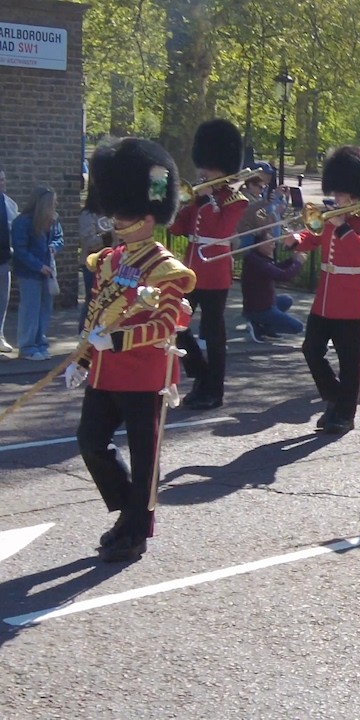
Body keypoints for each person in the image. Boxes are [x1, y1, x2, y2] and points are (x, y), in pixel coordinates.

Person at [71, 137, 196, 562]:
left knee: (145, 458)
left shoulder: (166, 269)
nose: (117, 221)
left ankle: (136, 531)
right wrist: (82, 357)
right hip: (105, 371)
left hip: (145, 374)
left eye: (124, 215)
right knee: (91, 442)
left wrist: (116, 340)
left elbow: (165, 324)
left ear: (148, 217)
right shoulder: (109, 260)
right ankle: (132, 512)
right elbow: (95, 313)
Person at [293, 146, 360, 434]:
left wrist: (343, 227)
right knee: (311, 349)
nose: (337, 198)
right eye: (337, 193)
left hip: (352, 299)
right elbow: (315, 236)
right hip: (325, 298)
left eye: (343, 194)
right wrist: (297, 240)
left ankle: (345, 414)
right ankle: (334, 396)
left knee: (349, 361)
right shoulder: (332, 218)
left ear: (355, 195)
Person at [170, 118, 249, 410]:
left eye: (210, 168)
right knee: (174, 322)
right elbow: (178, 228)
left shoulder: (235, 199)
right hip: (189, 270)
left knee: (214, 335)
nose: (204, 172)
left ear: (223, 169)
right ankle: (201, 373)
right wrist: (179, 207)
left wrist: (206, 201)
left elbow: (220, 230)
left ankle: (214, 390)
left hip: (215, 272)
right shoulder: (198, 196)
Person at [12, 186, 65, 360]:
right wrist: (38, 266)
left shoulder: (53, 220)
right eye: (53, 201)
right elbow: (20, 250)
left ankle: (40, 343)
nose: (56, 204)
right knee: (30, 309)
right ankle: (27, 347)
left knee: (45, 309)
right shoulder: (23, 222)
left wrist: (54, 247)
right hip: (29, 273)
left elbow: (59, 238)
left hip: (48, 271)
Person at [241, 226, 305, 340]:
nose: (273, 245)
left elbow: (276, 269)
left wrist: (291, 260)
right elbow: (283, 276)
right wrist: (298, 263)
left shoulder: (257, 258)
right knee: (297, 327)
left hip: (263, 303)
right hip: (259, 309)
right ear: (260, 244)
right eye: (270, 242)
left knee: (287, 299)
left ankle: (260, 324)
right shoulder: (256, 261)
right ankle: (261, 329)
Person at [78, 182, 107, 334]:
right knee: (92, 298)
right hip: (91, 263)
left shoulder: (109, 214)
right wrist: (107, 237)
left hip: (109, 263)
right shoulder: (87, 215)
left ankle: (99, 331)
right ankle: (83, 331)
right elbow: (88, 241)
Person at [0, 168, 14, 353]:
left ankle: (0, 336)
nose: (2, 183)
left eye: (3, 179)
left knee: (2, 301)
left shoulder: (9, 204)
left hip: (4, 260)